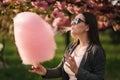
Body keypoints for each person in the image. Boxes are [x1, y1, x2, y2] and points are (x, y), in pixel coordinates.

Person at [29, 12, 106, 80]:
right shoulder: (72, 46)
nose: (72, 23)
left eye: (77, 21)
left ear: (87, 27)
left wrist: (77, 71)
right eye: (72, 20)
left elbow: (99, 78)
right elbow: (61, 70)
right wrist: (45, 71)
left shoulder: (96, 51)